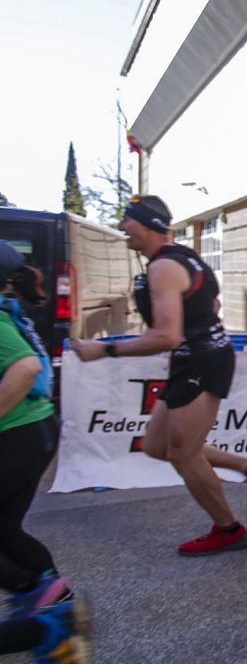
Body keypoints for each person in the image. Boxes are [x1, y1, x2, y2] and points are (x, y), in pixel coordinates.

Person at [71, 195, 247, 556]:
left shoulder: (163, 268)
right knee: (155, 445)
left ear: (147, 224)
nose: (122, 228)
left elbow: (167, 335)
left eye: (128, 221)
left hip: (202, 361)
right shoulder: (186, 257)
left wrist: (102, 350)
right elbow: (211, 304)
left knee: (183, 453)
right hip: (195, 359)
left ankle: (228, 529)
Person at [0, 242, 90, 662]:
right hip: (29, 433)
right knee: (5, 528)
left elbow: (27, 367)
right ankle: (56, 606)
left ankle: (45, 617)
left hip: (18, 435)